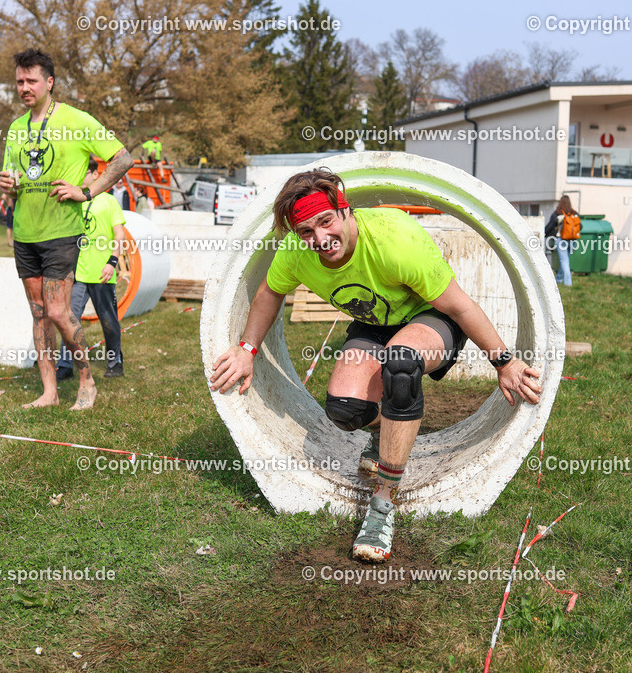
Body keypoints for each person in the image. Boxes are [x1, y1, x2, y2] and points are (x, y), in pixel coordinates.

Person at [209, 169, 542, 563]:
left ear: (344, 209)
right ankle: (392, 430)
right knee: (345, 411)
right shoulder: (297, 251)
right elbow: (269, 291)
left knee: (400, 366)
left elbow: (459, 305)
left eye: (326, 221)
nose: (319, 239)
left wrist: (503, 362)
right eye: (305, 231)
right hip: (374, 324)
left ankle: (383, 504)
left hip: (432, 317)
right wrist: (246, 348)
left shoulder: (393, 240)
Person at [0, 48, 133, 410]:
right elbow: (16, 180)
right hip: (26, 233)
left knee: (58, 311)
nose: (24, 87)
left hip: (61, 232)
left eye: (31, 80)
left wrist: (85, 191)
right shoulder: (15, 129)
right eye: (19, 82)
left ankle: (87, 380)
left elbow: (123, 158)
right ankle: (49, 392)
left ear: (50, 82)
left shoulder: (77, 120)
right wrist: (7, 187)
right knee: (39, 312)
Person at [56, 157, 127, 381]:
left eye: (84, 173)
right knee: (70, 320)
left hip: (102, 274)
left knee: (109, 321)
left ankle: (115, 362)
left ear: (96, 175)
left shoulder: (109, 202)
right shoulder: (73, 201)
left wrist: (112, 262)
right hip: (77, 274)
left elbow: (119, 235)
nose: (80, 178)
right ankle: (65, 364)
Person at [545, 195, 578, 287]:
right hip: (573, 240)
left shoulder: (558, 213)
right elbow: (580, 226)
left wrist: (544, 233)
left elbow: (549, 226)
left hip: (561, 240)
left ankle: (568, 283)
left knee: (564, 261)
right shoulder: (574, 213)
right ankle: (559, 279)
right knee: (565, 261)